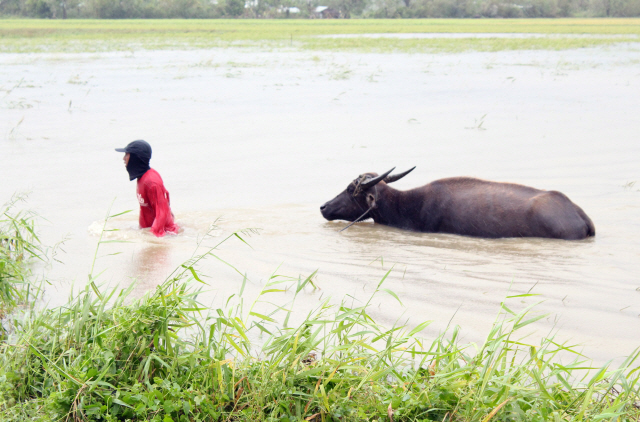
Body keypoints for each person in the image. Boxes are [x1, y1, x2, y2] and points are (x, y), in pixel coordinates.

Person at [115, 140, 179, 237]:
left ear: (135, 158)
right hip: (148, 231)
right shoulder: (142, 178)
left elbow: (162, 212)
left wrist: (153, 239)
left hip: (164, 235)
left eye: (126, 155)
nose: (123, 158)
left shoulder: (151, 182)